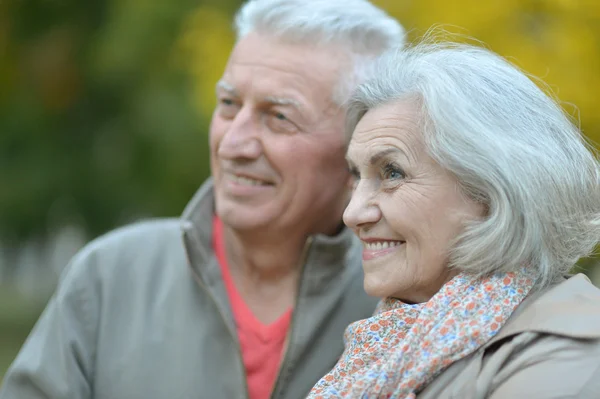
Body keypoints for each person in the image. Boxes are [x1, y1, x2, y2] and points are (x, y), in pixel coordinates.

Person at [0, 1, 405, 399]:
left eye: (279, 117)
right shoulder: (108, 280)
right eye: (229, 105)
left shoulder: (407, 303)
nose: (233, 144)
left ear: (360, 149)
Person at [307, 37, 600, 398]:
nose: (352, 214)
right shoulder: (393, 340)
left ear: (490, 191)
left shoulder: (567, 352)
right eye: (357, 175)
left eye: (392, 173)